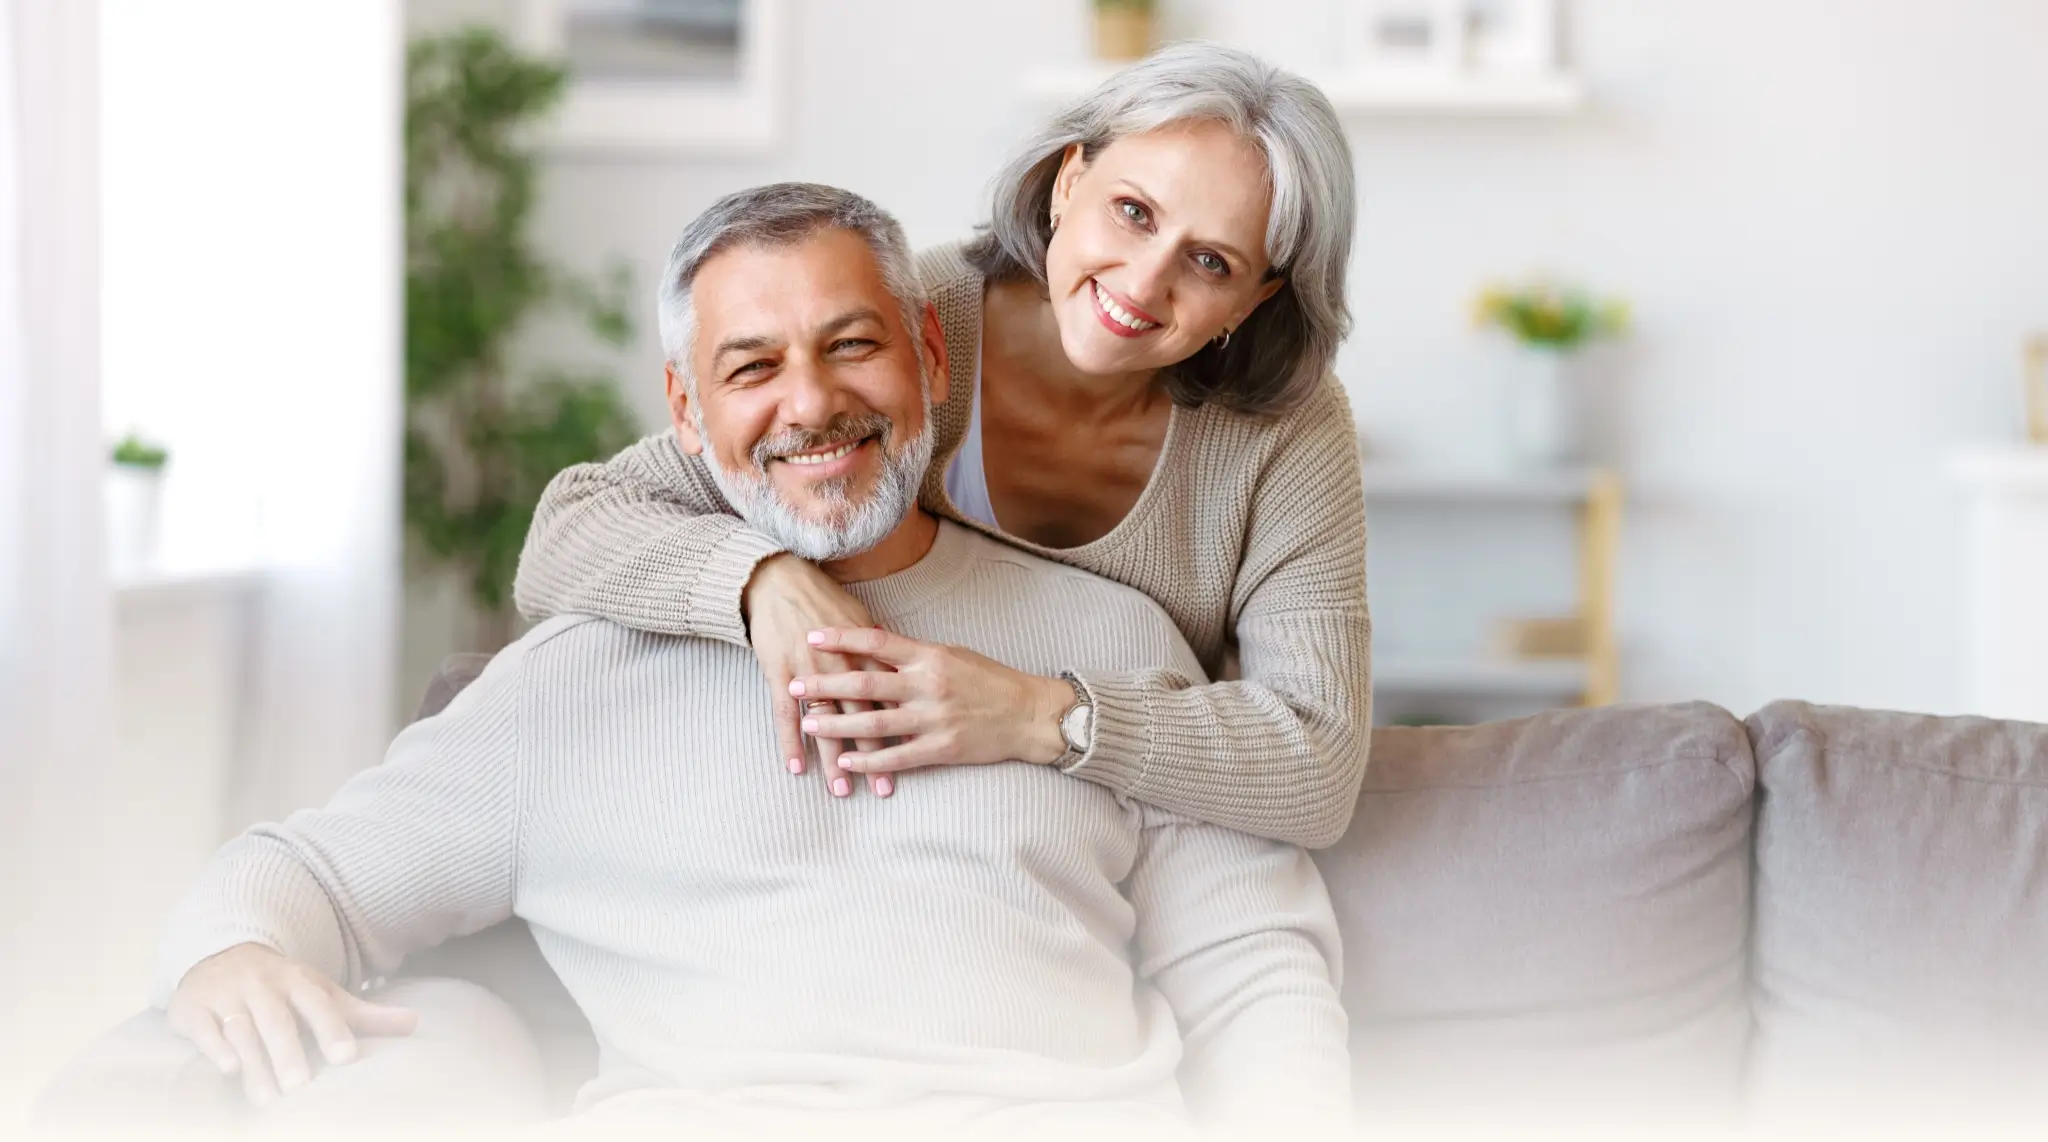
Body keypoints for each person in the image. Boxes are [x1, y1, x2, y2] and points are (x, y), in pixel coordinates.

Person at [154, 185, 1350, 1135]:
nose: (811, 401)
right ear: (683, 410)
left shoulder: (1108, 646)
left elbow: (1252, 971)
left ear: (931, 357)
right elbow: (304, 873)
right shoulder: (572, 680)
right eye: (751, 367)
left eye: (850, 346)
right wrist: (231, 948)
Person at [513, 43, 1371, 847]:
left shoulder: (1289, 432)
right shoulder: (905, 327)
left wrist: (1035, 713)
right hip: (900, 811)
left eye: (1212, 262)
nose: (1143, 283)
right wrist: (759, 582)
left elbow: (1321, 767)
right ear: (1069, 180)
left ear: (1255, 301)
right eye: (1133, 212)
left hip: (1135, 826)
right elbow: (574, 526)